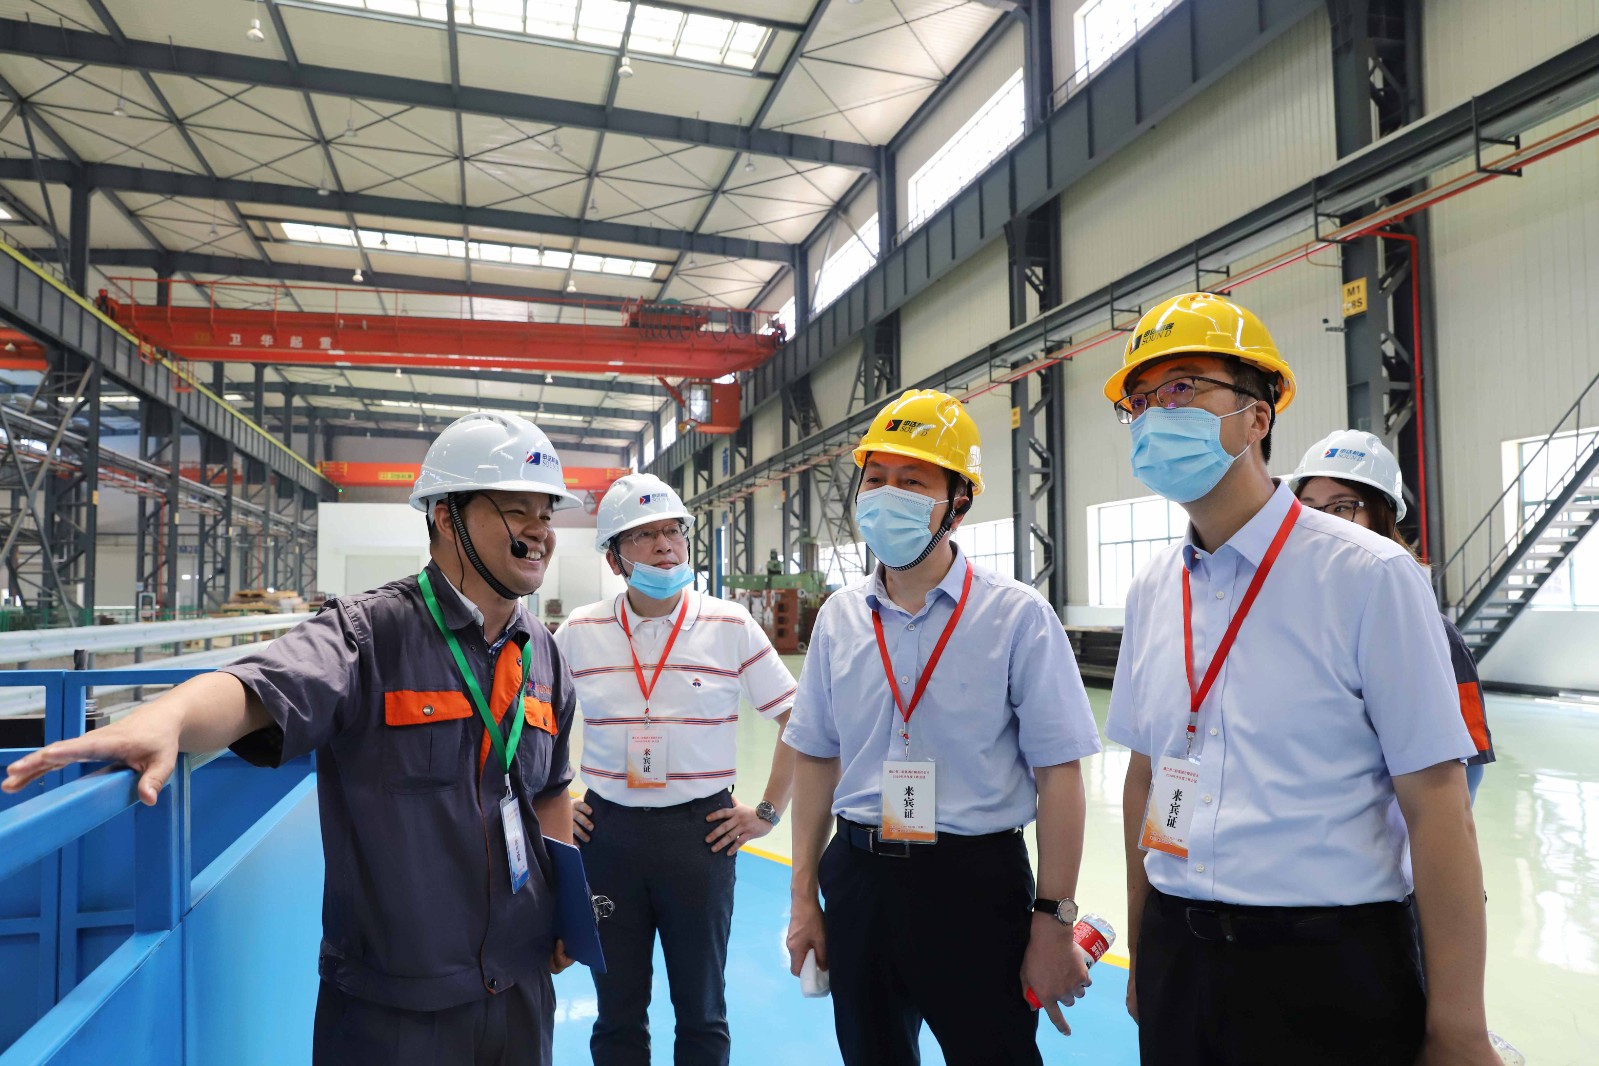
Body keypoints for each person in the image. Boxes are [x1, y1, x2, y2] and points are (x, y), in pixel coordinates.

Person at [4, 412, 583, 1066]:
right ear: (447, 518)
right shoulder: (369, 633)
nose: (540, 530)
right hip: (395, 1007)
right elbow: (262, 684)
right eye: (517, 510)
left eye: (547, 513)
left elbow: (548, 793)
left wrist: (563, 910)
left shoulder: (545, 655)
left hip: (520, 990)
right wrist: (169, 715)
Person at [1102, 292, 1497, 1065]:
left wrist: (1457, 1025)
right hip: (1178, 952)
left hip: (1326, 966)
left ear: (1257, 415)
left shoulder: (1365, 574)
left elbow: (1437, 804)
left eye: (1182, 387)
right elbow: (1144, 776)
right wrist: (1145, 946)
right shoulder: (1152, 590)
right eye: (1139, 401)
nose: (1154, 414)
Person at [783, 389, 1103, 1065]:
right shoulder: (839, 618)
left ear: (958, 503)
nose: (886, 495)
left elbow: (1060, 776)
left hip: (974, 886)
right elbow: (814, 757)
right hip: (860, 878)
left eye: (912, 481)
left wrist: (1054, 919)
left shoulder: (1016, 617)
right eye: (875, 478)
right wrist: (803, 897)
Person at [555, 473, 798, 1066]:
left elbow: (799, 720)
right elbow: (535, 725)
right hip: (607, 837)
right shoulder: (579, 632)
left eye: (672, 531)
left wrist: (768, 812)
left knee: (702, 1010)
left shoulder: (730, 625)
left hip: (701, 837)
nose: (665, 545)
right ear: (614, 558)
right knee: (617, 1012)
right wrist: (557, 802)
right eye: (643, 535)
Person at [1287, 429, 1496, 802]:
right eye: (1309, 508)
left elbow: (1470, 768)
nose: (1322, 523)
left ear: (1380, 515)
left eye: (1342, 506)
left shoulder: (1436, 635)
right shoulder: (1290, 620)